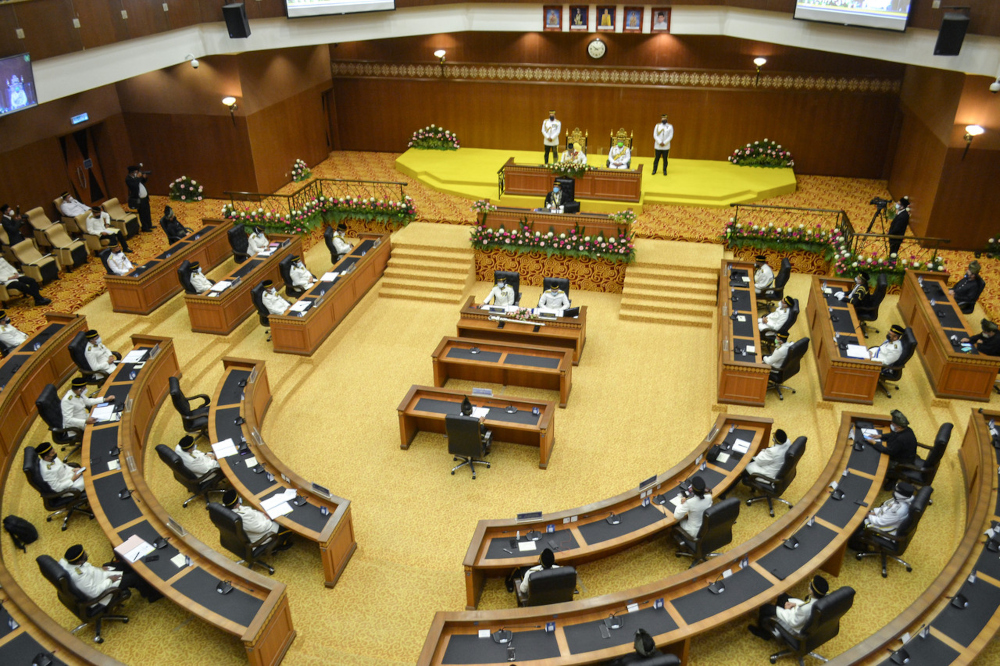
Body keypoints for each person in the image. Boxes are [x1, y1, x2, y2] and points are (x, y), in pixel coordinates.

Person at [59, 544, 161, 604]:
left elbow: (87, 569)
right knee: (135, 577)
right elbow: (94, 593)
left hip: (99, 577)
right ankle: (152, 595)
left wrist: (100, 570)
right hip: (104, 589)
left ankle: (141, 586)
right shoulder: (79, 576)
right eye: (84, 554)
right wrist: (110, 580)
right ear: (79, 562)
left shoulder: (66, 562)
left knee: (123, 565)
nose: (86, 553)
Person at [748, 575, 829, 640]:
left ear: (812, 591)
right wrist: (796, 605)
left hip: (796, 627)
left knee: (765, 608)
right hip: (803, 617)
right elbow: (808, 605)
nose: (809, 585)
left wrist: (785, 610)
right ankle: (772, 621)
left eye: (810, 586)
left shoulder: (805, 609)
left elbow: (793, 622)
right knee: (782, 597)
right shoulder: (825, 598)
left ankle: (764, 633)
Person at [848, 481, 915, 551]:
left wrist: (867, 516)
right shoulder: (903, 500)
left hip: (884, 528)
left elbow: (880, 522)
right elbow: (885, 508)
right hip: (885, 519)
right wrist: (872, 513)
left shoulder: (898, 510)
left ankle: (857, 546)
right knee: (861, 513)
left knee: (855, 522)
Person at [221, 490, 293, 551]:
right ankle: (281, 545)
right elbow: (259, 528)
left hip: (261, 520)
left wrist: (262, 513)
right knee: (289, 526)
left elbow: (250, 513)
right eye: (238, 498)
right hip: (262, 534)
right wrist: (269, 520)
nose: (240, 498)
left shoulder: (230, 510)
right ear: (236, 505)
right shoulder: (241, 517)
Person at [865, 410, 918, 486]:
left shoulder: (901, 439)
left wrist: (874, 443)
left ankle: (893, 476)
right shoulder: (907, 430)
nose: (891, 424)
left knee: (876, 461)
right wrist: (881, 436)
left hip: (902, 462)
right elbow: (894, 434)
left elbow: (889, 451)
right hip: (907, 455)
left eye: (893, 424)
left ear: (899, 427)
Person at [125, 164, 152, 232]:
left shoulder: (136, 178)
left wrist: (144, 177)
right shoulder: (128, 179)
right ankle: (145, 227)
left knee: (147, 212)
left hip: (145, 198)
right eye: (136, 172)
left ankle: (149, 225)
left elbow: (143, 182)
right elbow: (134, 186)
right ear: (132, 172)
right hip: (139, 199)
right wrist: (138, 177)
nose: (137, 173)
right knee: (142, 214)